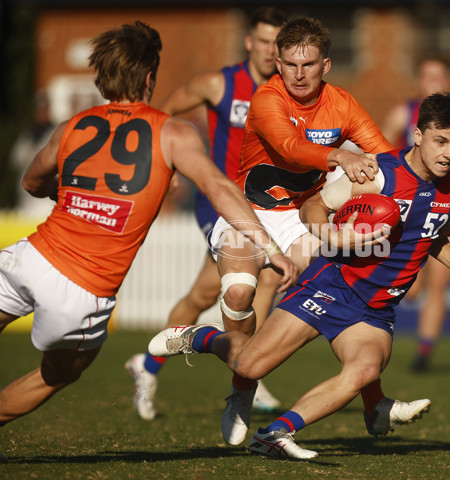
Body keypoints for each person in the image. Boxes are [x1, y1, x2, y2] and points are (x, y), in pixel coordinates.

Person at [148, 92, 450, 459]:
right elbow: (314, 207)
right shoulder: (377, 173)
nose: (448, 153)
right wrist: (333, 235)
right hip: (334, 284)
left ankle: (274, 434)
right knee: (249, 365)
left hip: (376, 311)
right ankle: (201, 338)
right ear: (417, 135)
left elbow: (434, 234)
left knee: (365, 368)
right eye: (440, 141)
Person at [0, 21, 296, 436]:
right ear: (151, 78)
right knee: (57, 374)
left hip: (29, 255)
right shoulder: (172, 132)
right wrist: (269, 244)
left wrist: (62, 190)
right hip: (81, 288)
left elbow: (32, 182)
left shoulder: (73, 125)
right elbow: (218, 187)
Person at [170, 16, 433, 448]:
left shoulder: (342, 104)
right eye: (289, 63)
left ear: (325, 65)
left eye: (308, 64)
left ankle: (374, 401)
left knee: (347, 287)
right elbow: (291, 147)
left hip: (300, 216)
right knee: (238, 293)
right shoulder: (267, 99)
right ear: (277, 62)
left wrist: (425, 183)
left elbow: (386, 155)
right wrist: (340, 157)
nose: (298, 73)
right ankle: (240, 390)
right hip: (249, 213)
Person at [125, 6, 288, 422]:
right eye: (265, 41)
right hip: (217, 203)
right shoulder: (219, 84)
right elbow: (161, 113)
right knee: (260, 278)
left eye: (278, 42)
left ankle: (148, 364)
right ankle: (249, 370)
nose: (272, 50)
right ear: (250, 42)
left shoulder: (288, 89)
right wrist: (166, 161)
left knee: (205, 294)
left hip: (263, 206)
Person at [382, 54, 450, 372]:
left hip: (442, 205)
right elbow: (381, 151)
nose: (433, 82)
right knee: (412, 290)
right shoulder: (403, 113)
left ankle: (424, 353)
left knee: (441, 280)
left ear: (448, 80)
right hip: (405, 211)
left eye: (439, 76)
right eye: (427, 76)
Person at [9, 90, 56, 218]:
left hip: (46, 199)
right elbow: (15, 160)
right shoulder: (27, 134)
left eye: (44, 108)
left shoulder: (55, 133)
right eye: (38, 108)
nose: (41, 112)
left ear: (48, 109)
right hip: (25, 199)